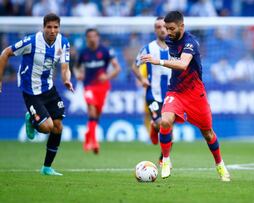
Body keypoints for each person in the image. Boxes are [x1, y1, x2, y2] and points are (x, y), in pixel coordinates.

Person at [141, 11, 230, 181]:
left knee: (208, 133)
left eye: (172, 28)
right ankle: (165, 160)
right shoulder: (168, 39)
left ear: (182, 26)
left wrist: (157, 61)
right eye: (166, 28)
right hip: (175, 91)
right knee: (165, 121)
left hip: (196, 95)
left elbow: (182, 65)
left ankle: (220, 165)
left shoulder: (190, 43)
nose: (168, 32)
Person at [0, 13, 73, 176]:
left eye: (56, 27)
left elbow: (65, 67)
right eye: (49, 27)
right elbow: (5, 53)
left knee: (58, 126)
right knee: (47, 128)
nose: (52, 31)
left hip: (49, 88)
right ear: (43, 27)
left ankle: (47, 168)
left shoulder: (64, 42)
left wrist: (67, 79)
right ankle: (31, 119)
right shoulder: (31, 41)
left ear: (59, 28)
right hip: (31, 90)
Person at [131, 17, 172, 164]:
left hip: (171, 95)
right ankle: (154, 128)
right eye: (158, 27)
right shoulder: (148, 48)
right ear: (155, 30)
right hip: (152, 95)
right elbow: (134, 66)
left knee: (167, 124)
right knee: (160, 122)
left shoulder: (175, 48)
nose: (161, 29)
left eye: (164, 26)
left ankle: (164, 159)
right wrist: (142, 79)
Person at [75, 28, 121, 154]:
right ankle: (94, 142)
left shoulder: (105, 51)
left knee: (96, 115)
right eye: (89, 36)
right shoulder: (83, 52)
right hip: (88, 86)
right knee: (91, 109)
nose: (92, 38)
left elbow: (117, 68)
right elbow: (76, 67)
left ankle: (88, 137)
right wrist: (78, 73)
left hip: (102, 87)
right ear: (86, 38)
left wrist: (107, 76)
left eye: (94, 36)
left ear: (98, 37)